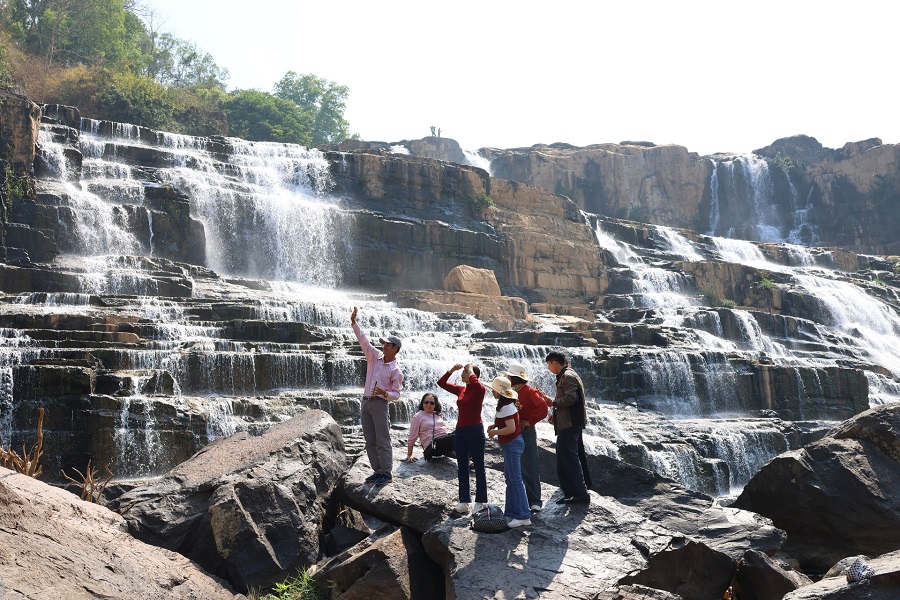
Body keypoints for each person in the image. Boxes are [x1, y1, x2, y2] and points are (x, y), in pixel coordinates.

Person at [351, 307, 403, 486]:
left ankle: (386, 473)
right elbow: (364, 341)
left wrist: (384, 393)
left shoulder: (395, 370)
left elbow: (397, 394)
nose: (384, 345)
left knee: (383, 439)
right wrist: (354, 324)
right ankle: (377, 471)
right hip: (365, 402)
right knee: (369, 439)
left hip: (380, 404)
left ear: (395, 348)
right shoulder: (374, 357)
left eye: (388, 344)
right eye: (384, 343)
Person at [438, 362, 487, 515]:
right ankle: (464, 501)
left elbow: (476, 383)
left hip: (475, 430)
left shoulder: (480, 389)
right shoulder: (461, 390)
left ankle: (481, 501)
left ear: (474, 375)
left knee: (479, 465)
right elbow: (441, 383)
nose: (463, 374)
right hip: (460, 431)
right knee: (462, 466)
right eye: (464, 372)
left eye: (467, 372)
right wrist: (452, 370)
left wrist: (470, 368)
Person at [503, 362, 550, 512]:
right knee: (518, 467)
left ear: (515, 378)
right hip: (514, 430)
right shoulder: (513, 391)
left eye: (509, 376)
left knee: (530, 464)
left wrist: (530, 421)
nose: (508, 378)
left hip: (526, 431)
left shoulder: (529, 391)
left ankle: (535, 500)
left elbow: (543, 408)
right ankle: (523, 499)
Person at [545, 351, 590, 504]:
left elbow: (572, 398)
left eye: (549, 365)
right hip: (569, 423)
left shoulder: (568, 376)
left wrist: (552, 402)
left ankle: (579, 493)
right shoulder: (567, 374)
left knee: (569, 458)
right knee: (566, 458)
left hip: (570, 424)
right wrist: (556, 415)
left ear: (554, 363)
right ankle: (572, 492)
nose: (549, 369)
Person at [487, 376, 531, 528]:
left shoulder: (506, 406)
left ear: (499, 391)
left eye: (493, 389)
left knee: (515, 480)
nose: (491, 391)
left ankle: (523, 515)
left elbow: (511, 428)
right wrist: (495, 426)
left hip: (512, 444)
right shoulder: (507, 404)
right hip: (511, 444)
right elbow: (508, 422)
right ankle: (511, 512)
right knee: (510, 480)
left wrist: (495, 432)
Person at [405, 392, 450, 462]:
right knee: (456, 437)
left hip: (445, 444)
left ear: (435, 405)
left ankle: (471, 458)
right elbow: (412, 436)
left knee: (464, 432)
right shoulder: (418, 417)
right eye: (426, 402)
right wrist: (409, 454)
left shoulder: (438, 415)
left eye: (431, 403)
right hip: (432, 447)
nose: (428, 405)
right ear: (422, 403)